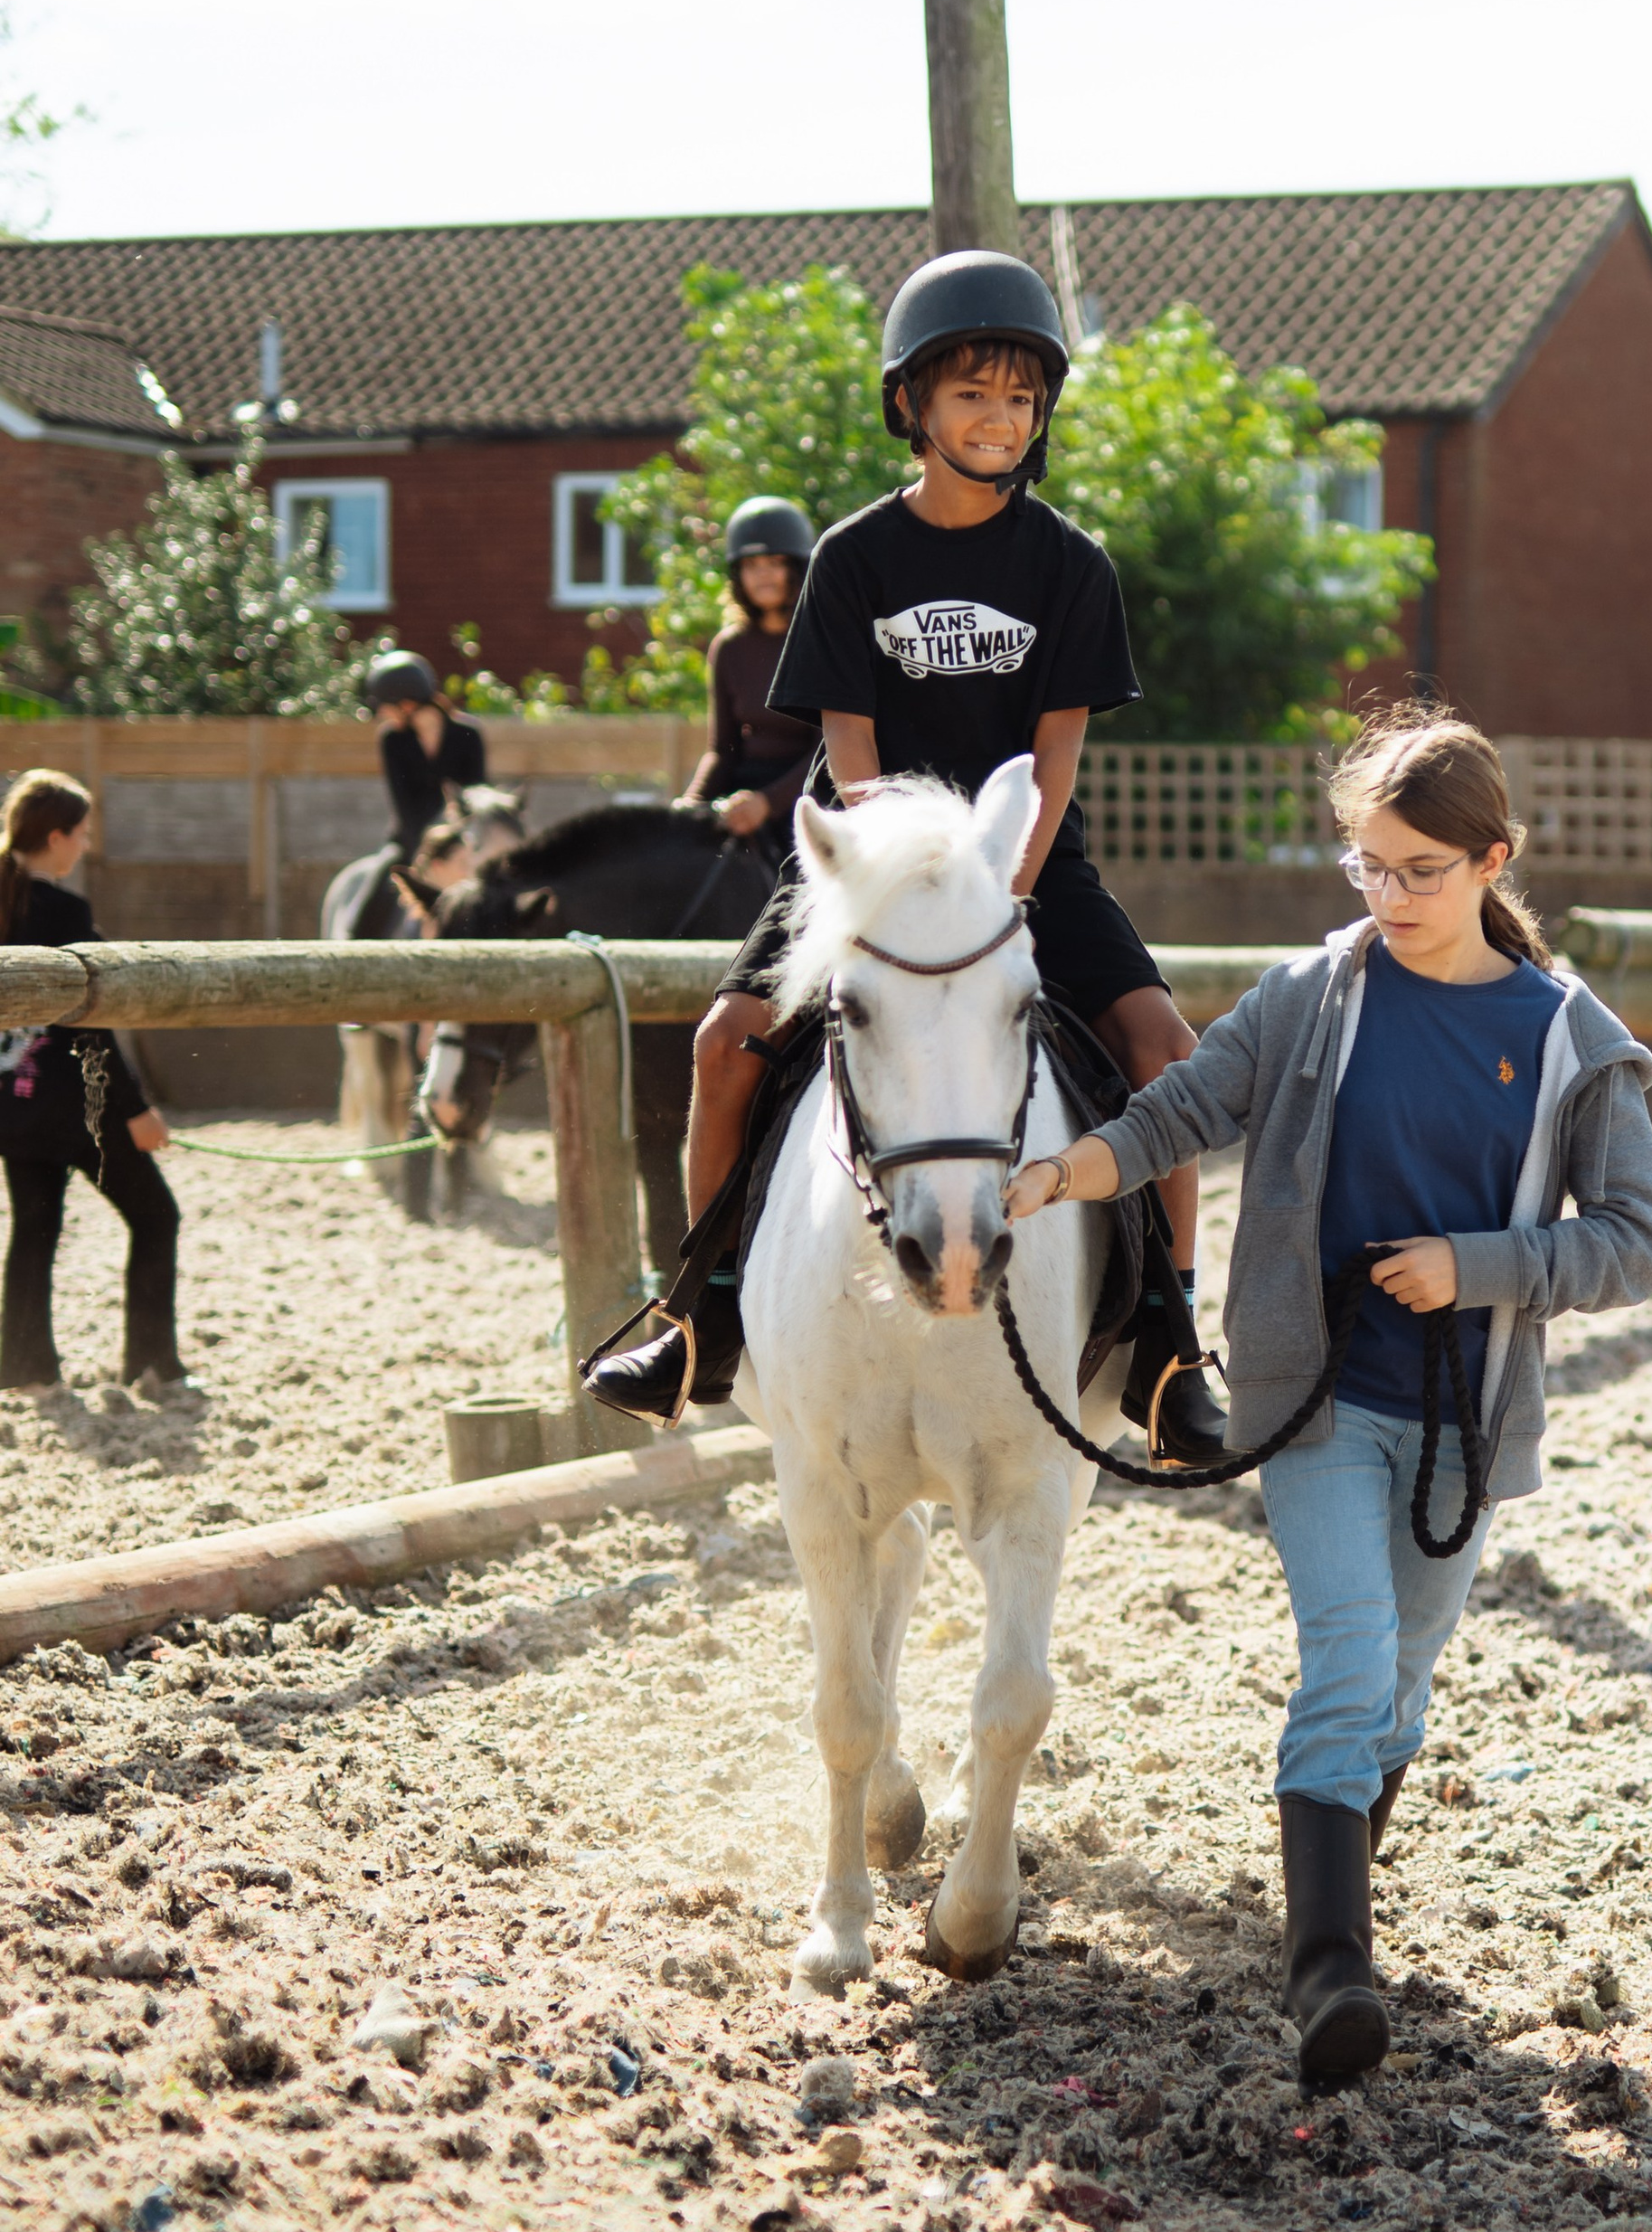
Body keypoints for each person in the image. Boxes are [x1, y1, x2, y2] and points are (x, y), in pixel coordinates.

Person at [1003, 709, 1652, 2085]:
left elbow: (1638, 1242)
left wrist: (1475, 1267)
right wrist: (1068, 1173)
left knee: (1403, 1696)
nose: (1391, 896)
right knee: (1351, 1662)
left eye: (1422, 869)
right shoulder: (1314, 993)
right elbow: (1184, 1110)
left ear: (1496, 860)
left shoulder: (1568, 1040)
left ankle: (1327, 1913)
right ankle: (1328, 1976)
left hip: (1466, 1417)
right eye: (1369, 865)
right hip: (1311, 1403)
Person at [588, 248, 1222, 1449]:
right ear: (912, 406)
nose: (1000, 417)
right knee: (728, 1045)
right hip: (864, 863)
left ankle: (1169, 1342)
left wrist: (997, 895)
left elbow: (1056, 759)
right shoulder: (851, 560)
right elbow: (850, 753)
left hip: (1027, 862)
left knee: (1163, 1048)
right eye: (974, 394)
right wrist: (904, 895)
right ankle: (695, 1313)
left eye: (1021, 398)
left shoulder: (1075, 569)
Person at [0, 769, 184, 1391]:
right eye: (81, 833)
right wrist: (134, 1110)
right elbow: (92, 1028)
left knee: (34, 1230)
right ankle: (154, 1363)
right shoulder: (64, 910)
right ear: (55, 837)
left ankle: (25, 1368)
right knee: (157, 1217)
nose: (86, 845)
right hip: (79, 1107)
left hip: (12, 1100)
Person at [679, 498, 820, 860]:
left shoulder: (821, 639)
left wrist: (766, 804)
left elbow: (829, 750)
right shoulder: (729, 647)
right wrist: (690, 805)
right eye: (751, 565)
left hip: (807, 799)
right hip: (742, 794)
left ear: (799, 568)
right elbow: (722, 749)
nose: (763, 575)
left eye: (775, 563)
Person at [366, 652, 488, 860]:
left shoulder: (468, 734)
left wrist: (455, 843)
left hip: (465, 840)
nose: (381, 714)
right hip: (412, 842)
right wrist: (427, 853)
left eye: (385, 707)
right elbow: (404, 807)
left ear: (406, 704)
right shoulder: (392, 740)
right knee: (376, 876)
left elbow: (476, 794)